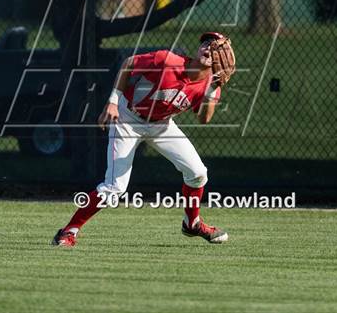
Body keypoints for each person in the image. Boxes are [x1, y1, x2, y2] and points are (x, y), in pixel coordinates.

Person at [52, 32, 236, 246]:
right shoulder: (167, 60)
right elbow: (129, 63)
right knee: (115, 189)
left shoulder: (211, 86)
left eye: (215, 48)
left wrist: (213, 87)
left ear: (222, 58)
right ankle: (68, 231)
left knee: (197, 173)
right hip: (128, 118)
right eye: (206, 43)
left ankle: (192, 223)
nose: (208, 48)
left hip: (162, 125)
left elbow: (204, 118)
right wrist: (113, 101)